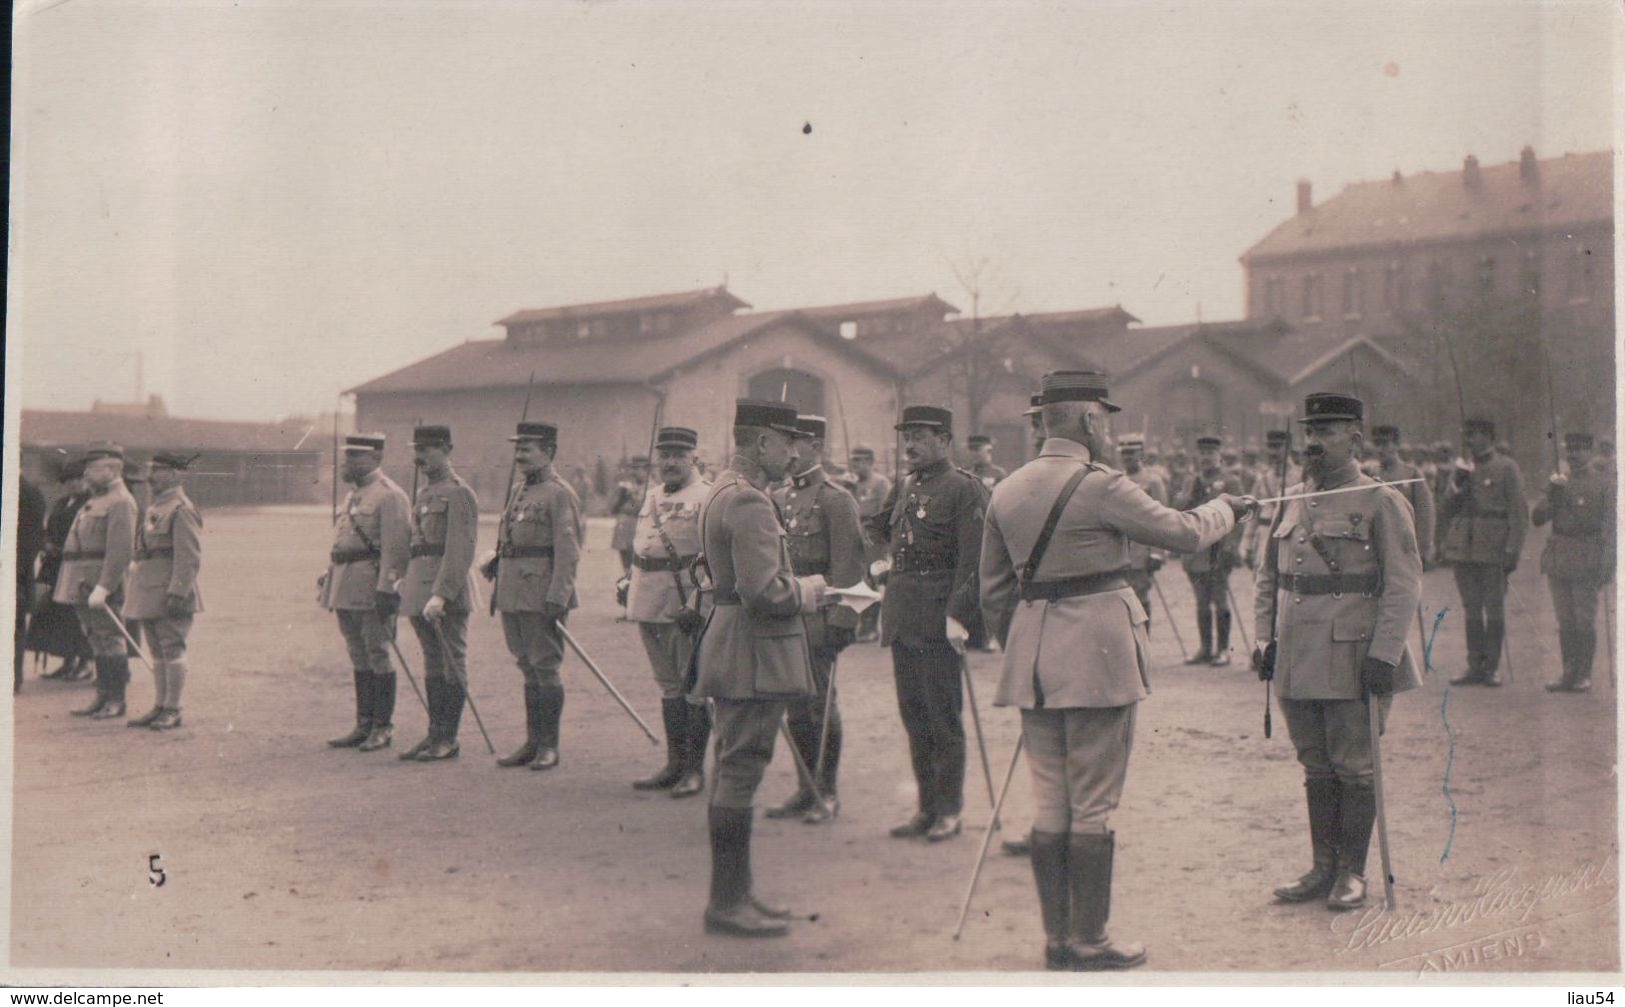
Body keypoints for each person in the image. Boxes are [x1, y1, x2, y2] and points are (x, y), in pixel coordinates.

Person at [981, 370, 1254, 970]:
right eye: (1105, 418)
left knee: (1051, 803)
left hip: (1033, 663)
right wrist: (1227, 510)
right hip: (1099, 659)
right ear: (1090, 421)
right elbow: (1182, 533)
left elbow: (994, 593)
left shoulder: (1007, 489)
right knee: (1094, 803)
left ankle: (1058, 940)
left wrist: (1028, 645)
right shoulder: (1102, 485)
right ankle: (1090, 940)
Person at [1253, 392, 1423, 912]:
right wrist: (1264, 639)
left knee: (1354, 767)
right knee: (1315, 766)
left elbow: (1402, 583)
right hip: (1296, 655)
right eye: (1310, 432)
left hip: (1352, 655)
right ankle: (1322, 867)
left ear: (1355, 437)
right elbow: (1269, 577)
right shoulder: (1291, 498)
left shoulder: (1381, 500)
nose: (1313, 442)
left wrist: (1386, 653)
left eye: (1326, 432)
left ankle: (1353, 871)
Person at [691, 398, 834, 938]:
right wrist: (814, 589)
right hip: (752, 650)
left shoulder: (722, 491)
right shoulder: (749, 501)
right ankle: (727, 902)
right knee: (742, 768)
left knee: (734, 767)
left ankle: (737, 893)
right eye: (787, 441)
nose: (795, 453)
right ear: (762, 443)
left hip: (734, 645)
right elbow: (765, 592)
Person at [867, 405, 986, 842]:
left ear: (945, 440)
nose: (911, 445)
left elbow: (974, 560)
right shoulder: (903, 486)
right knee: (913, 714)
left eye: (920, 436)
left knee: (942, 715)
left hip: (938, 617)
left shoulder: (964, 489)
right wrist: (881, 563)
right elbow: (880, 532)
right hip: (902, 614)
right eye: (907, 436)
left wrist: (959, 614)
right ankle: (926, 807)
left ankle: (950, 809)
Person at [766, 415, 866, 824]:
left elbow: (849, 565)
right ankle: (805, 787)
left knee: (819, 705)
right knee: (795, 704)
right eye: (785, 444)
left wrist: (844, 619)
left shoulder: (835, 499)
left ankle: (826, 790)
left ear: (816, 447)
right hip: (790, 612)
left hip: (820, 617)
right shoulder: (779, 497)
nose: (789, 453)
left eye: (797, 444)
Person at [489, 421, 583, 770]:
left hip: (541, 592)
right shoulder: (517, 490)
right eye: (518, 448)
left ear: (549, 452)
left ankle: (549, 746)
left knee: (545, 666)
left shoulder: (560, 493)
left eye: (527, 449)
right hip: (513, 589)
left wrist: (559, 595)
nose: (519, 455)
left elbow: (569, 550)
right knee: (526, 665)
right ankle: (532, 741)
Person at [628, 426, 712, 797]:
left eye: (679, 455)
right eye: (665, 455)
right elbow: (641, 547)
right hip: (649, 599)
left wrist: (699, 602)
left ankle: (694, 770)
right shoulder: (651, 496)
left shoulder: (708, 497)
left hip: (685, 604)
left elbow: (714, 560)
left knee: (693, 686)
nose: (671, 462)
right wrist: (626, 585)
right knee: (668, 686)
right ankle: (674, 764)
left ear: (694, 456)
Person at [321, 434, 411, 751]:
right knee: (357, 653)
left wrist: (388, 588)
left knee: (378, 652)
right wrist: (329, 574)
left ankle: (382, 727)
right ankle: (364, 723)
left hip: (373, 585)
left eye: (356, 457)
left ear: (375, 458)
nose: (348, 463)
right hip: (346, 583)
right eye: (347, 457)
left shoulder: (390, 496)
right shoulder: (354, 496)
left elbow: (396, 549)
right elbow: (346, 540)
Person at [397, 425, 481, 761]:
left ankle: (449, 737)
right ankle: (434, 735)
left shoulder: (459, 493)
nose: (420, 456)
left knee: (450, 660)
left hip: (446, 591)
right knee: (432, 661)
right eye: (417, 449)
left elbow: (460, 549)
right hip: (420, 588)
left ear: (447, 448)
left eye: (428, 449)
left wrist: (442, 594)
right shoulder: (425, 492)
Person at [1439, 418, 1527, 687]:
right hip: (1464, 548)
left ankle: (1492, 667)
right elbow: (1446, 507)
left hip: (1493, 547)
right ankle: (1474, 666)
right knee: (1471, 608)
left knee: (1494, 607)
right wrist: (1458, 485)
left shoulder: (1507, 467)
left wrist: (1512, 549)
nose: (1469, 441)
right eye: (1466, 435)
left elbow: (1519, 512)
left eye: (1474, 435)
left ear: (1488, 436)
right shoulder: (1461, 469)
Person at [121, 452, 204, 730]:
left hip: (169, 590)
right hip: (148, 589)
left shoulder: (181, 509)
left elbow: (188, 556)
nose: (151, 476)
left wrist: (178, 592)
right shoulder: (155, 508)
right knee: (157, 651)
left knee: (172, 648)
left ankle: (173, 708)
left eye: (158, 470)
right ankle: (159, 705)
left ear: (175, 474)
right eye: (151, 469)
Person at [55, 443, 139, 719]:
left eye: (94, 468)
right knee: (95, 639)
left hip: (101, 583)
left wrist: (105, 586)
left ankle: (116, 699)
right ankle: (102, 697)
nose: (88, 473)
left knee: (111, 639)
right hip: (81, 581)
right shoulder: (96, 498)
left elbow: (120, 551)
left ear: (113, 469)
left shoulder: (121, 502)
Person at [1532, 433, 1615, 692]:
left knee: (1584, 620)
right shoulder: (1559, 481)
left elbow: (1612, 528)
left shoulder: (1603, 483)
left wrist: (1609, 563)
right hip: (1559, 557)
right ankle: (1568, 672)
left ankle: (1584, 674)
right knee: (1565, 620)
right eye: (1570, 450)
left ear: (1590, 451)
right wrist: (1553, 494)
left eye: (1579, 450)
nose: (1573, 455)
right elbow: (1537, 518)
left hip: (1586, 557)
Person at [1175, 435, 1245, 665]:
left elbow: (1241, 516)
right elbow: (1179, 510)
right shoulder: (1191, 481)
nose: (1206, 458)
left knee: (1220, 600)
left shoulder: (1230, 482)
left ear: (1219, 456)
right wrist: (1190, 492)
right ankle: (1205, 648)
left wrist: (1233, 544)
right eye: (1202, 453)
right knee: (1201, 602)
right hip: (1196, 551)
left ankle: (1223, 649)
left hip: (1220, 550)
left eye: (1210, 453)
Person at [29, 459, 94, 681]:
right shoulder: (62, 503)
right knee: (57, 614)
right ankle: (68, 661)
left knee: (76, 615)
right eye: (68, 480)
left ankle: (85, 662)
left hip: (74, 565)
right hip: (54, 566)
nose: (73, 484)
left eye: (77, 479)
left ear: (86, 480)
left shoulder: (89, 503)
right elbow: (49, 528)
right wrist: (45, 543)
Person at [1116, 435, 1168, 632]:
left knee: (1141, 599)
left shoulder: (1153, 481)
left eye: (1132, 453)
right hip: (1120, 550)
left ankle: (1143, 646)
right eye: (1124, 453)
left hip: (1142, 550)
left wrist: (1157, 553)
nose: (1128, 457)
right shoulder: (1117, 479)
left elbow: (1162, 518)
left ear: (1141, 454)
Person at [843, 444, 892, 644]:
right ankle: (859, 622)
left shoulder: (880, 484)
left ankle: (871, 626)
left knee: (874, 579)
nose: (855, 465)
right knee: (856, 578)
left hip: (874, 537)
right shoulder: (849, 484)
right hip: (854, 537)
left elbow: (883, 513)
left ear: (870, 462)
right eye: (853, 460)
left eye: (859, 460)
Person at [1370, 425, 1437, 567]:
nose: (1380, 449)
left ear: (1396, 445)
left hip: (1404, 547)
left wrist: (1424, 547)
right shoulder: (1370, 475)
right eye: (1377, 444)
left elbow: (1425, 513)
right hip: (1376, 547)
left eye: (1385, 443)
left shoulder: (1411, 474)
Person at [1243, 430, 1302, 574]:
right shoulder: (1262, 478)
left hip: (1291, 535)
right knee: (1262, 580)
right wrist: (1247, 543)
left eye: (1278, 446)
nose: (1273, 452)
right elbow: (1253, 513)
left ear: (1288, 447)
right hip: (1265, 535)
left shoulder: (1301, 476)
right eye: (1270, 447)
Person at [15, 472, 46, 693]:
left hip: (14, 573)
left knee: (12, 628)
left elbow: (30, 539)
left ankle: (11, 679)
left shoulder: (28, 493)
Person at [609, 458, 648, 580]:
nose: (634, 472)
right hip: (624, 529)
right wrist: (621, 495)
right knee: (626, 563)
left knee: (637, 566)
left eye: (638, 469)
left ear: (646, 470)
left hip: (639, 528)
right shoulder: (625, 487)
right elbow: (612, 509)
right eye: (633, 469)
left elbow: (640, 507)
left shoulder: (651, 487)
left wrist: (631, 498)